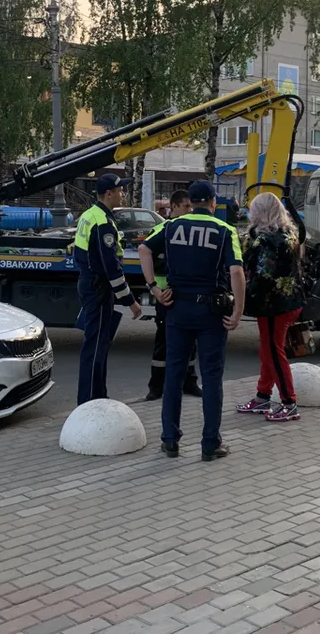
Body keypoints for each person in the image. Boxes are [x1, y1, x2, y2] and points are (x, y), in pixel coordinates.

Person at [140, 180, 245, 461]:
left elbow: (144, 250)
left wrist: (154, 288)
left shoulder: (170, 226)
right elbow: (236, 272)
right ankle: (210, 444)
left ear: (191, 202)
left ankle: (170, 441)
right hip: (211, 313)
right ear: (212, 202)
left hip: (177, 309)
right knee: (211, 378)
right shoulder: (225, 230)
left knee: (173, 374)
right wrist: (238, 311)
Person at [236, 192, 305, 422]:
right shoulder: (288, 234)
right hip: (289, 300)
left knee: (274, 352)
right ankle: (263, 396)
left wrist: (242, 297)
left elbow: (263, 276)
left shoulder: (266, 240)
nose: (250, 213)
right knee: (269, 350)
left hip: (273, 304)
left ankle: (289, 403)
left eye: (253, 209)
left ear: (260, 212)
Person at [73, 174, 142, 404]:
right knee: (95, 347)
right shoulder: (102, 223)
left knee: (97, 344)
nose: (123, 193)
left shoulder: (89, 215)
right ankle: (89, 402)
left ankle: (98, 396)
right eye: (120, 190)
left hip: (89, 283)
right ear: (109, 193)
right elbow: (111, 268)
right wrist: (130, 301)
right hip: (99, 288)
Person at [144, 189, 201, 401]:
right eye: (186, 206)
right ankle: (156, 386)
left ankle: (189, 382)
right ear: (174, 207)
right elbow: (147, 255)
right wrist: (154, 288)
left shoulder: (193, 230)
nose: (190, 210)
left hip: (187, 294)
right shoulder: (162, 229)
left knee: (191, 340)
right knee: (163, 340)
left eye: (191, 206)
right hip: (166, 296)